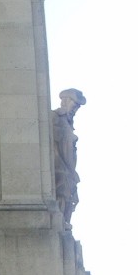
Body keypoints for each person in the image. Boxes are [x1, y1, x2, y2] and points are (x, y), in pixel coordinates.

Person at [52, 89, 85, 229]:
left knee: (70, 192)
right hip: (60, 164)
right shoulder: (55, 116)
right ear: (66, 101)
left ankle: (64, 222)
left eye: (78, 107)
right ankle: (60, 221)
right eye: (75, 104)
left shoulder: (69, 122)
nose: (75, 109)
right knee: (63, 190)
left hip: (69, 165)